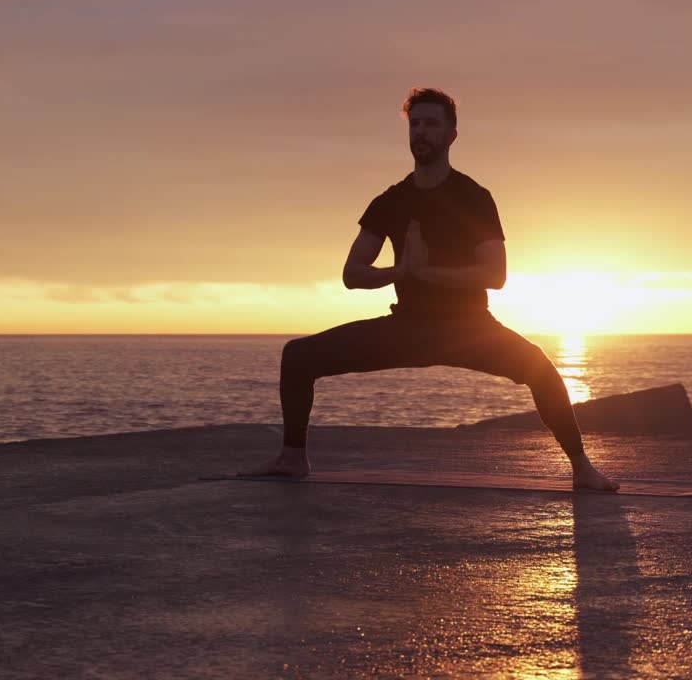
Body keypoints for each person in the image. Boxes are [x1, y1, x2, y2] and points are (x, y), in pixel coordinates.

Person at [239, 87, 619, 491]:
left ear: (452, 134)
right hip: (407, 328)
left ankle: (582, 469)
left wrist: (427, 272)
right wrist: (400, 270)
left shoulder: (474, 198)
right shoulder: (391, 200)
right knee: (298, 356)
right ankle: (293, 457)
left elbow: (496, 274)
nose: (421, 132)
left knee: (540, 369)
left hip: (469, 329)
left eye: (431, 124)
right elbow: (353, 273)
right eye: (414, 124)